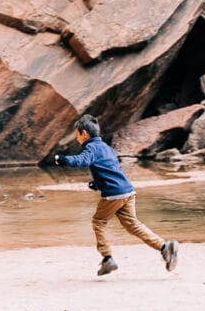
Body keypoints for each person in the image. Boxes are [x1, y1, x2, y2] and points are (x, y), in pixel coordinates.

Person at [54, 114, 178, 276]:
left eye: (77, 134)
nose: (77, 138)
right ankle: (164, 246)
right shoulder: (106, 148)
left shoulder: (91, 148)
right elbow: (110, 169)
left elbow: (82, 160)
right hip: (127, 191)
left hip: (114, 195)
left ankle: (107, 258)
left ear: (85, 134)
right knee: (133, 224)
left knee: (98, 222)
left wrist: (62, 159)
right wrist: (97, 184)